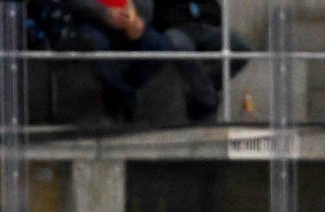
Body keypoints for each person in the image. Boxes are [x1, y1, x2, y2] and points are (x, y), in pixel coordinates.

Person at [62, 0, 216, 124]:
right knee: (98, 46)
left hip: (128, 21)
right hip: (92, 22)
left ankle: (121, 93)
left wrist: (136, 19)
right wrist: (104, 14)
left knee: (159, 47)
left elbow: (147, 6)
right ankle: (120, 99)